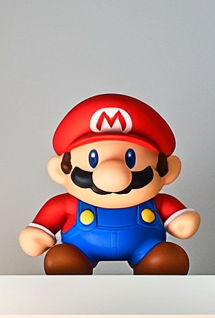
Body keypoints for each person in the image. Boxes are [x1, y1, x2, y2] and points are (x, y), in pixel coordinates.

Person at [19, 94, 200, 274]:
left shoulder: (159, 202)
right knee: (62, 260)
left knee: (167, 259)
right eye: (93, 159)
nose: (114, 174)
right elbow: (41, 228)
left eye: (131, 159)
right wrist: (36, 236)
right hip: (81, 249)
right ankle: (73, 276)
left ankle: (156, 281)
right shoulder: (66, 204)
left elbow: (182, 224)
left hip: (146, 247)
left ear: (167, 169)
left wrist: (182, 221)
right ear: (61, 169)